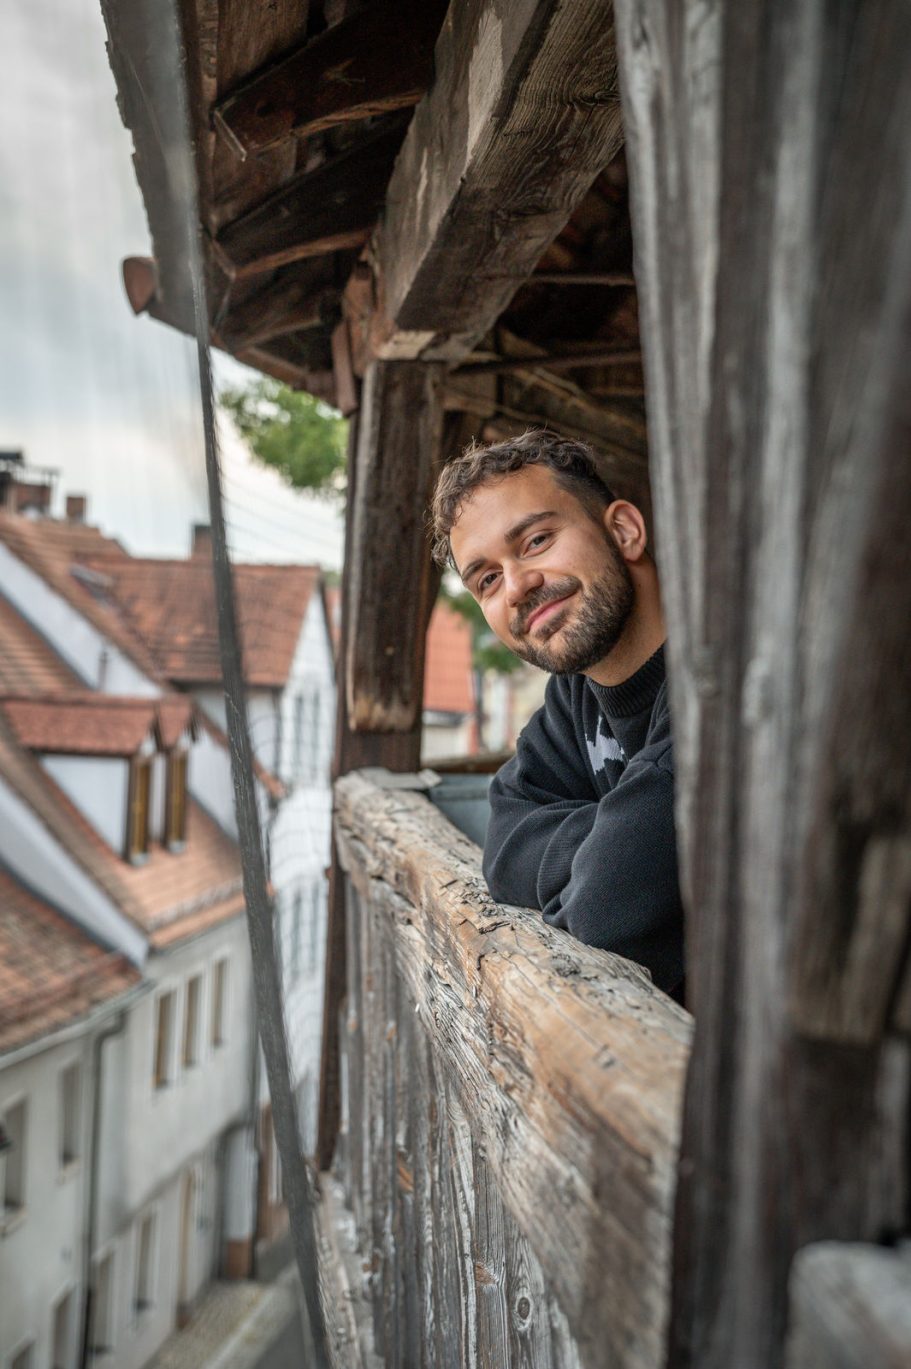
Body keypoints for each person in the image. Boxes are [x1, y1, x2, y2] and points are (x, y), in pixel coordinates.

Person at [430, 430, 684, 999]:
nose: (518, 586)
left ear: (623, 531)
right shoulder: (576, 697)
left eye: (538, 540)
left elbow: (604, 907)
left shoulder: (722, 672)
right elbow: (505, 844)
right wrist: (617, 838)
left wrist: (611, 861)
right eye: (488, 580)